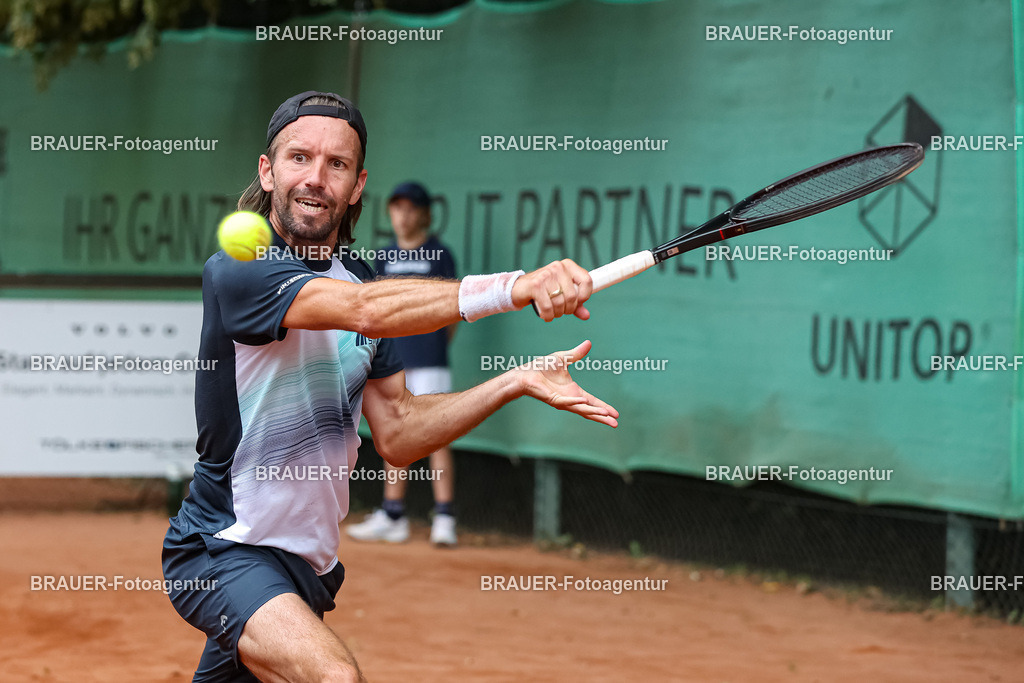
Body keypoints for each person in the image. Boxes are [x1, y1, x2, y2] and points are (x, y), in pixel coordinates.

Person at [161, 90, 618, 683]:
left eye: (337, 164)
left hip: (306, 567)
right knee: (335, 677)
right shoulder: (239, 268)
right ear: (267, 171)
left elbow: (399, 432)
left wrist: (514, 382)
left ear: (357, 186)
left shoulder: (364, 278)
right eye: (299, 158)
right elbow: (366, 311)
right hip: (224, 549)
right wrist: (517, 287)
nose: (315, 178)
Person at [346, 181, 459, 546]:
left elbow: (453, 312)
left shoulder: (441, 255)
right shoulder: (383, 256)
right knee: (396, 435)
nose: (403, 215)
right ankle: (393, 516)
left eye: (411, 209)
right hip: (395, 363)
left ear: (424, 214)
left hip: (431, 360)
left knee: (438, 436)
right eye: (397, 208)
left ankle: (445, 517)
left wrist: (431, 346)